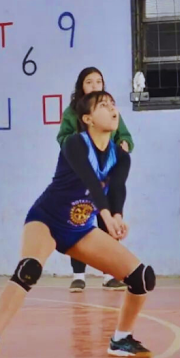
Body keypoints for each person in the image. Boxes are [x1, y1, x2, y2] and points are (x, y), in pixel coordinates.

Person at [0, 91, 154, 358]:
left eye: (113, 104)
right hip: (46, 218)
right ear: (88, 119)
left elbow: (117, 188)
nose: (112, 109)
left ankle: (121, 339)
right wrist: (105, 214)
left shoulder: (121, 157)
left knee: (142, 278)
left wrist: (117, 216)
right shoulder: (74, 143)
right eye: (102, 105)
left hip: (79, 229)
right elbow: (91, 180)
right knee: (29, 269)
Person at [57, 67, 134, 292]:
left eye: (98, 81)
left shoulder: (109, 110)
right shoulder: (72, 113)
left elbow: (125, 136)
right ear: (81, 86)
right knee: (79, 220)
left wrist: (125, 144)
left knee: (106, 219)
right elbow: (62, 138)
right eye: (89, 82)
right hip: (79, 177)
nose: (94, 86)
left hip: (105, 176)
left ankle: (109, 274)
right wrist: (80, 146)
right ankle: (78, 275)